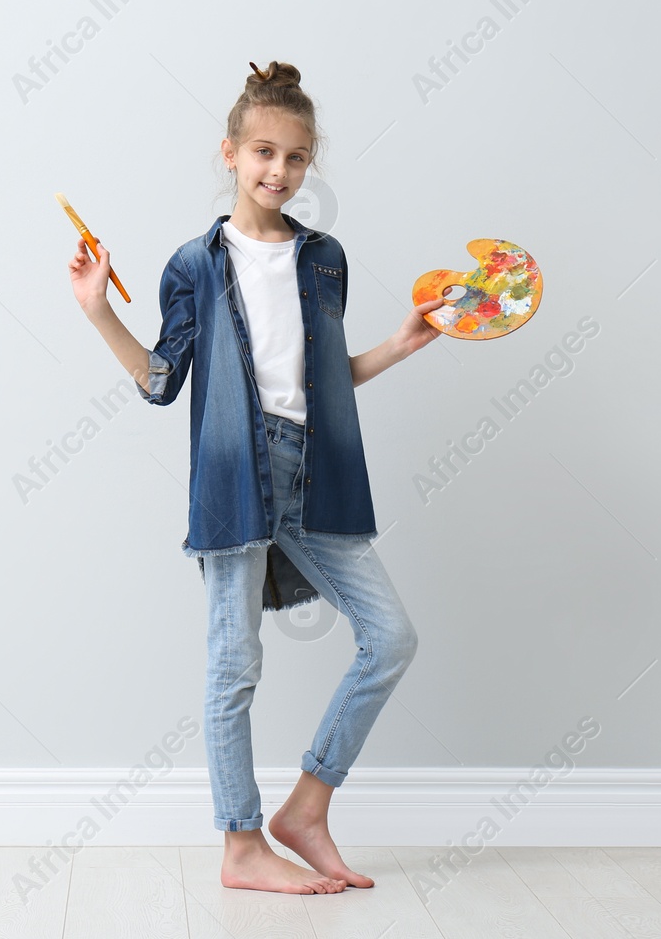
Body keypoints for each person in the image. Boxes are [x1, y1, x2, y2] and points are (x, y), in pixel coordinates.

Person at [68, 60, 447, 894]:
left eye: (298, 157)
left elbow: (325, 376)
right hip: (238, 475)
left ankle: (305, 809)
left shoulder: (324, 259)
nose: (280, 171)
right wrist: (100, 311)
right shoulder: (193, 265)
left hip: (316, 473)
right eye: (264, 152)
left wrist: (402, 341)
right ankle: (241, 845)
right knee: (233, 663)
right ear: (231, 152)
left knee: (391, 637)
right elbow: (163, 381)